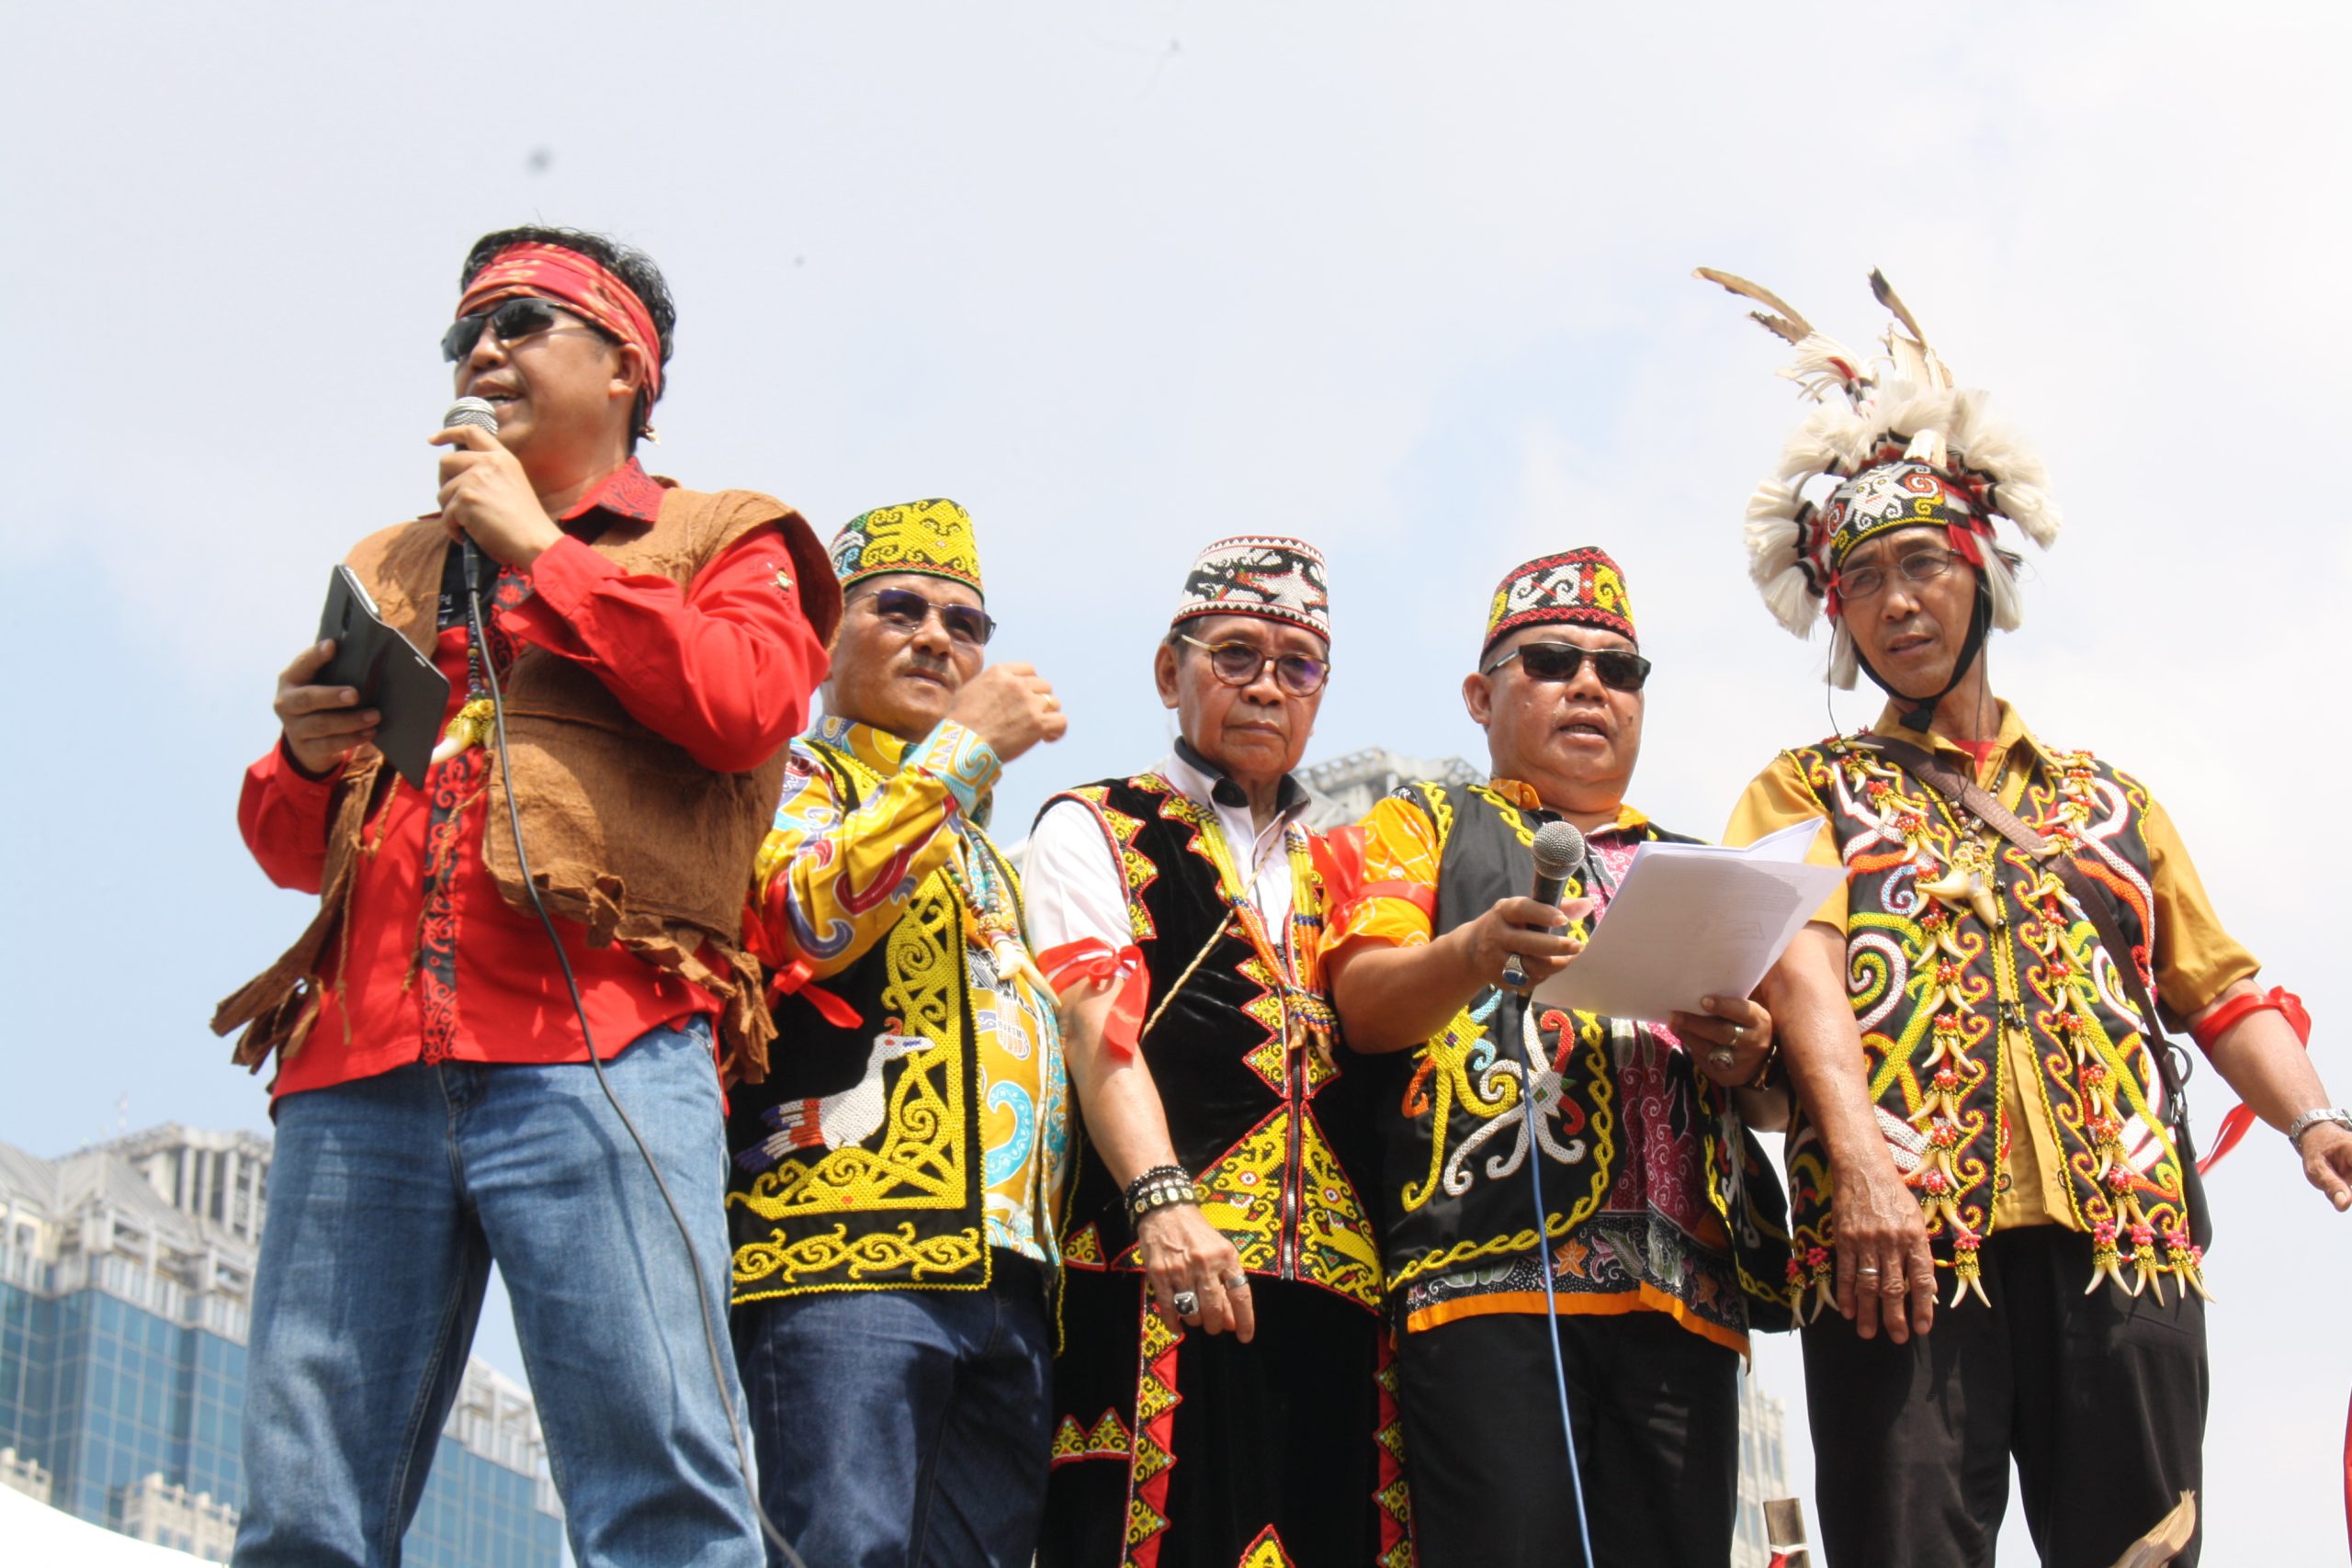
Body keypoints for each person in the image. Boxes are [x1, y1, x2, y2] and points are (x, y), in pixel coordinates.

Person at [1705, 267, 2352, 1567]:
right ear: (1835, 615)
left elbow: (2217, 987)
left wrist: (2315, 1117)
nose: (1899, 604)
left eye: (1925, 566)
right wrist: (1864, 1166)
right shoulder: (1805, 786)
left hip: (2126, 1235)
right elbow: (1793, 966)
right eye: (1866, 582)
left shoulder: (2110, 798)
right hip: (1899, 1250)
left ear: (1983, 571)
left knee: (2146, 1549)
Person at [215, 226, 839, 1567]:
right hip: (359, 1065)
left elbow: (744, 708)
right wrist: (303, 754)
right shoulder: (393, 561)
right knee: (300, 1515)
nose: (479, 352)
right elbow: (283, 840)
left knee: (659, 1495)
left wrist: (541, 552)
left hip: (599, 1047)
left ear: (627, 365)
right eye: (463, 335)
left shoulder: (726, 535)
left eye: (518, 323)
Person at [1321, 547, 1794, 1568]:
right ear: (1480, 695)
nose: (1588, 686)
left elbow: (1767, 1097)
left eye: (1616, 671)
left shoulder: (1698, 863)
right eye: (1549, 662)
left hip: (1687, 1300)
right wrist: (1474, 948)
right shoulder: (1422, 823)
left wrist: (1750, 1055)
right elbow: (1359, 1004)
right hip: (1491, 1277)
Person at [1025, 537, 1408, 1568]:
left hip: (1345, 1310)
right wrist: (1161, 1198)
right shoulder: (1093, 825)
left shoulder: (1358, 863)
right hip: (1159, 1279)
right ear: (1169, 670)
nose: (1265, 687)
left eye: (1297, 666)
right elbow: (1090, 1024)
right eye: (1234, 654)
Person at [727, 499, 1071, 1568]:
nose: (937, 637)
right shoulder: (788, 778)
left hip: (1009, 1282)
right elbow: (802, 918)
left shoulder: (988, 856)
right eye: (901, 609)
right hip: (844, 1257)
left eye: (965, 625)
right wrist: (963, 754)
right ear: (826, 635)